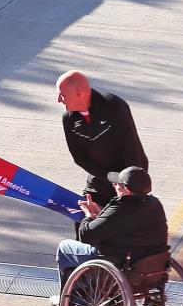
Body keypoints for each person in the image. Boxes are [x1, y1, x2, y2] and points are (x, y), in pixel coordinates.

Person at [50, 166, 168, 306]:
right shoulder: (155, 205)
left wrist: (88, 217)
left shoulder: (121, 208)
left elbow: (86, 236)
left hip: (120, 266)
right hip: (150, 268)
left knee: (65, 247)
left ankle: (71, 298)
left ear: (126, 189)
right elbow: (122, 225)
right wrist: (102, 216)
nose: (114, 185)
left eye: (118, 183)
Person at [56, 70, 148, 207]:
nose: (58, 100)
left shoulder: (113, 106)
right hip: (99, 181)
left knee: (126, 224)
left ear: (79, 94)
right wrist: (110, 177)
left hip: (129, 180)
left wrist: (130, 184)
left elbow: (131, 147)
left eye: (62, 95)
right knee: (85, 221)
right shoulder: (68, 119)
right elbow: (79, 157)